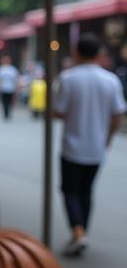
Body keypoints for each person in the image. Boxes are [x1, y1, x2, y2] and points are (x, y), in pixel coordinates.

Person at [53, 32, 126, 256]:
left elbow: (58, 111)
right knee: (86, 191)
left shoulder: (68, 78)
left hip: (72, 147)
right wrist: (107, 138)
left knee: (70, 190)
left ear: (77, 51)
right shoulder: (110, 80)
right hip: (97, 148)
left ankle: (78, 231)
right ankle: (82, 231)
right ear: (98, 53)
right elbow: (118, 114)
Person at [0, 55, 20, 121]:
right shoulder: (0, 69)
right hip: (2, 89)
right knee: (4, 102)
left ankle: (9, 113)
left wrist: (17, 88)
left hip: (11, 89)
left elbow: (16, 80)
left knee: (10, 102)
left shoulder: (13, 69)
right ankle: (5, 114)